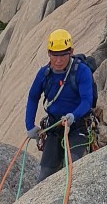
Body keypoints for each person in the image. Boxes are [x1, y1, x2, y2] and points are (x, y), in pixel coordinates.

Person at [25, 28, 92, 181]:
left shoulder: (82, 71)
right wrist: (29, 125)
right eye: (55, 55)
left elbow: (87, 100)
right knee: (44, 177)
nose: (59, 60)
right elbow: (33, 97)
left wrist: (74, 116)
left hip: (77, 127)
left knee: (73, 169)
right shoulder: (44, 74)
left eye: (63, 55)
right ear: (49, 53)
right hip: (54, 128)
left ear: (71, 52)